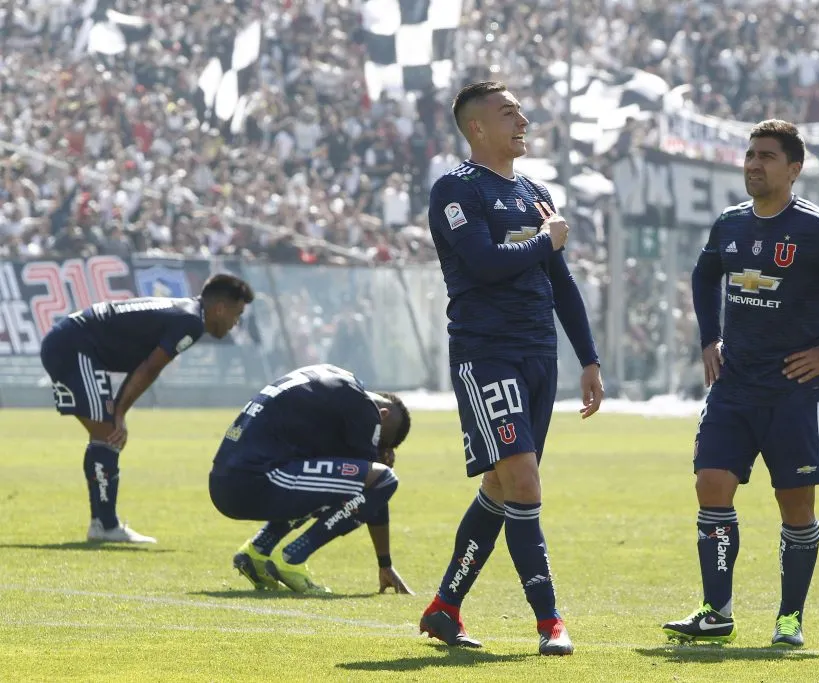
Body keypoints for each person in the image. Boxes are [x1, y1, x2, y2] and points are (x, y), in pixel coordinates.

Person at [663, 120, 819, 648]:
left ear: (793, 169)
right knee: (711, 486)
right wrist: (709, 338)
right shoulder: (729, 224)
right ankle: (716, 611)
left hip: (793, 391)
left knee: (796, 508)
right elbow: (703, 276)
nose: (753, 164)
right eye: (749, 155)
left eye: (766, 156)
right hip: (734, 385)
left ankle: (789, 619)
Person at [420, 81, 604, 656]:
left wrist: (589, 358)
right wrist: (546, 242)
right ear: (477, 128)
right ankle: (549, 622)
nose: (522, 118)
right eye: (508, 113)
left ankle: (445, 608)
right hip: (486, 354)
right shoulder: (455, 189)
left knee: (502, 486)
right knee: (522, 480)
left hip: (538, 355)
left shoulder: (534, 191)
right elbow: (482, 263)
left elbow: (562, 284)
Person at [39, 273, 254, 544]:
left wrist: (118, 411)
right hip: (73, 346)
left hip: (74, 343)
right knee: (108, 436)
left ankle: (103, 524)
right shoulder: (190, 322)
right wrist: (119, 414)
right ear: (220, 307)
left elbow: (143, 365)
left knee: (105, 437)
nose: (235, 323)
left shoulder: (187, 313)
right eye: (237, 314)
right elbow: (150, 368)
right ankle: (104, 526)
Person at [208, 364, 413, 595]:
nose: (377, 448)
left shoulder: (332, 381)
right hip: (255, 479)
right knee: (384, 478)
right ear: (382, 416)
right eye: (381, 443)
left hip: (225, 480)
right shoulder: (365, 409)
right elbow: (371, 481)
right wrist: (385, 562)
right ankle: (292, 558)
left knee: (327, 481)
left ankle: (257, 552)